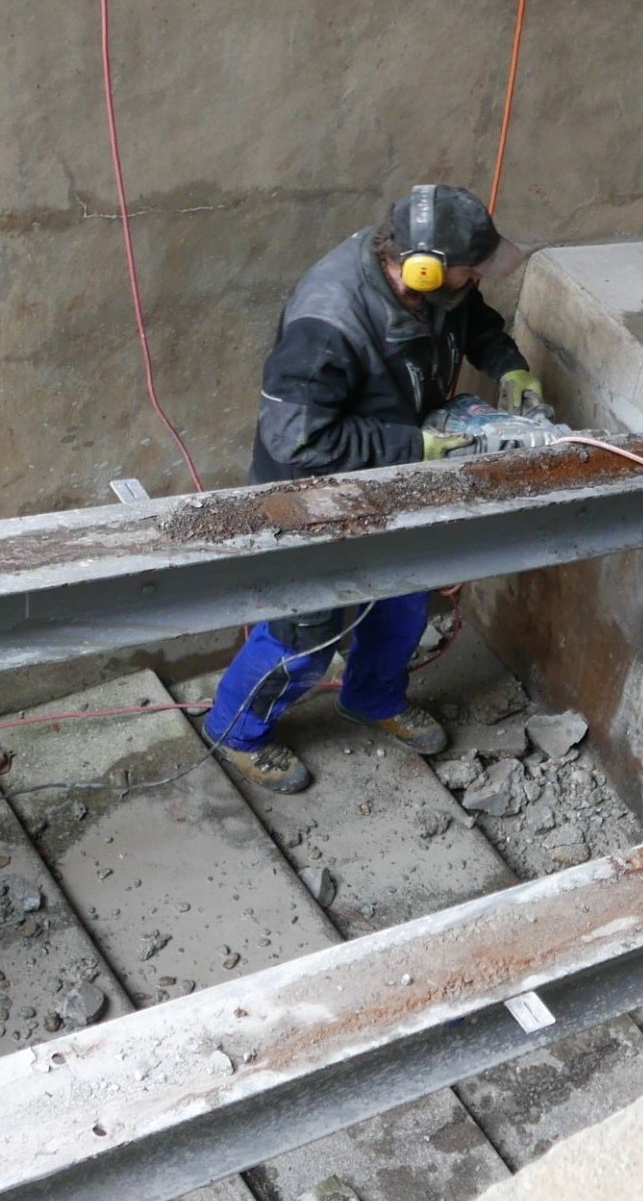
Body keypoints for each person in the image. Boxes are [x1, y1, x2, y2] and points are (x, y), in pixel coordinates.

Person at [202, 184, 544, 792]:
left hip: (390, 484)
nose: (473, 281)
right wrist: (417, 448)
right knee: (304, 633)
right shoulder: (328, 322)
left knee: (401, 601)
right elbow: (296, 442)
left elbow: (473, 319)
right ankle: (237, 731)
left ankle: (372, 698)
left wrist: (509, 364)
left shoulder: (436, 285)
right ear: (421, 267)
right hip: (311, 498)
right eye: (470, 271)